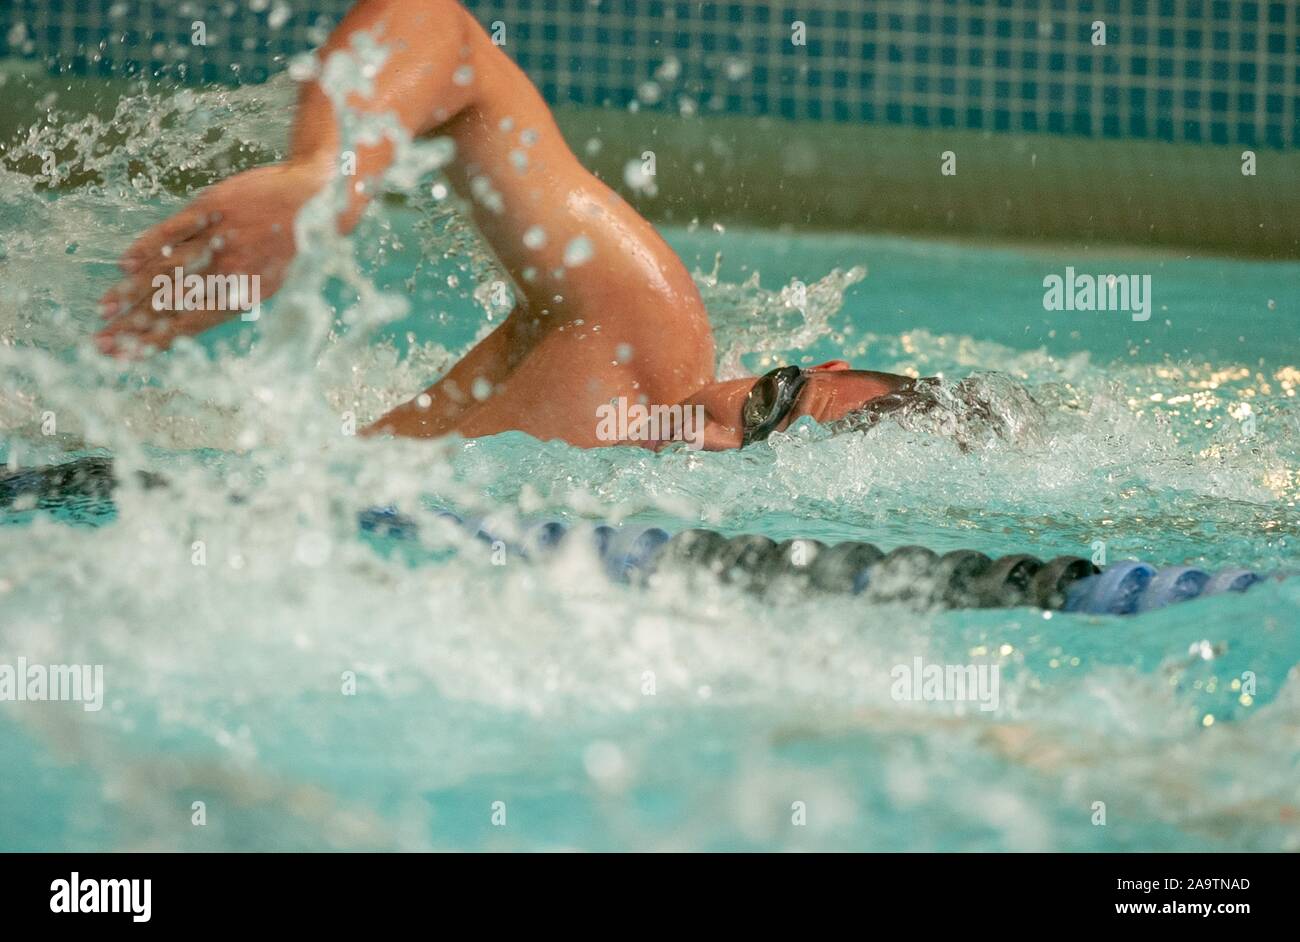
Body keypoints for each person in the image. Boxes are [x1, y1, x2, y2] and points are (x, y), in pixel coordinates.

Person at [96, 0, 924, 451]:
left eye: (758, 458)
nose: (712, 438)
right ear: (815, 363)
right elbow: (441, 33)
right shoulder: (644, 348)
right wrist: (329, 180)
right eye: (770, 403)